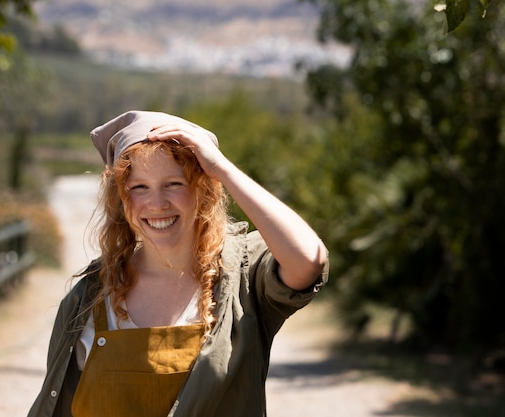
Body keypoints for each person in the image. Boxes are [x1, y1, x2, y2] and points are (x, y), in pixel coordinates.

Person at [28, 110, 329, 417]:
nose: (157, 204)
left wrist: (221, 167)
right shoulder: (88, 296)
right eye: (139, 187)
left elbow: (309, 259)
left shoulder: (244, 277)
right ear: (120, 198)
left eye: (174, 184)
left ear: (204, 189)